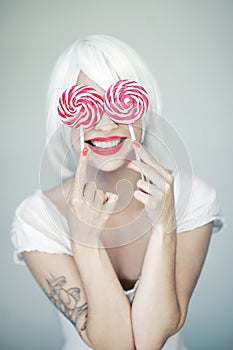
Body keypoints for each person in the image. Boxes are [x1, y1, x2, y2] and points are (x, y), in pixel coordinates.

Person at [11, 34, 225, 350]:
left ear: (142, 107)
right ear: (64, 117)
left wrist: (165, 226)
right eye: (88, 105)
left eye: (118, 103)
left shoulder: (193, 199)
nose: (106, 122)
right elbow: (115, 345)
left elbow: (152, 339)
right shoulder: (36, 217)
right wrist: (85, 241)